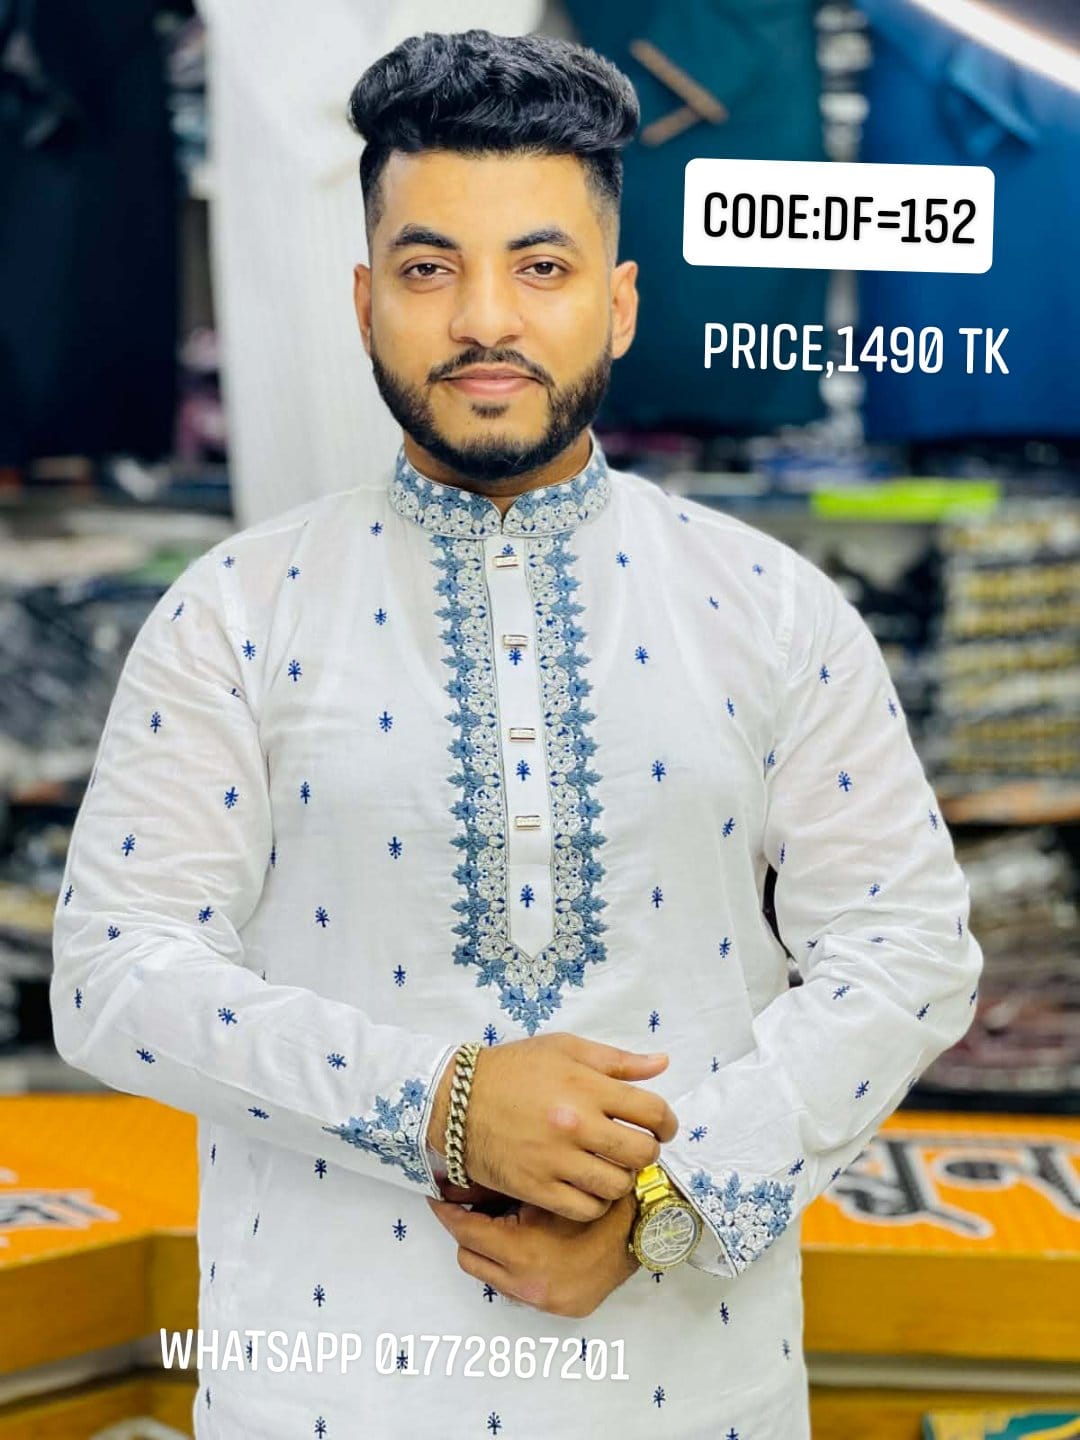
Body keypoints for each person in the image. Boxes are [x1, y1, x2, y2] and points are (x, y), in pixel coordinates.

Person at [51, 28, 984, 1440]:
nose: (485, 319)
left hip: (689, 1394)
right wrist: (444, 1103)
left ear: (619, 303)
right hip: (326, 1398)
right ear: (365, 299)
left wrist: (669, 1205)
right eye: (430, 270)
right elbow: (115, 973)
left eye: (540, 268)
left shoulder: (773, 606)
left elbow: (910, 949)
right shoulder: (233, 613)